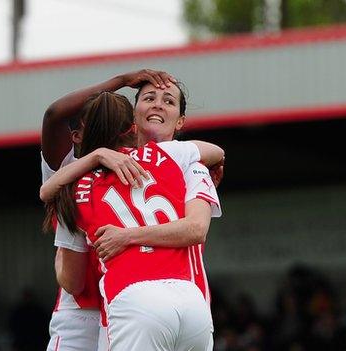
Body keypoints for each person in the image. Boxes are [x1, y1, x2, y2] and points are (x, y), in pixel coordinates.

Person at [41, 71, 222, 351]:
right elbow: (217, 152)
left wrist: (125, 236)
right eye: (149, 98)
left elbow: (196, 229)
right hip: (141, 303)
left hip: (131, 299)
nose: (158, 105)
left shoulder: (73, 183)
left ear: (181, 120)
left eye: (168, 101)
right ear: (132, 122)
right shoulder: (183, 159)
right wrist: (98, 155)